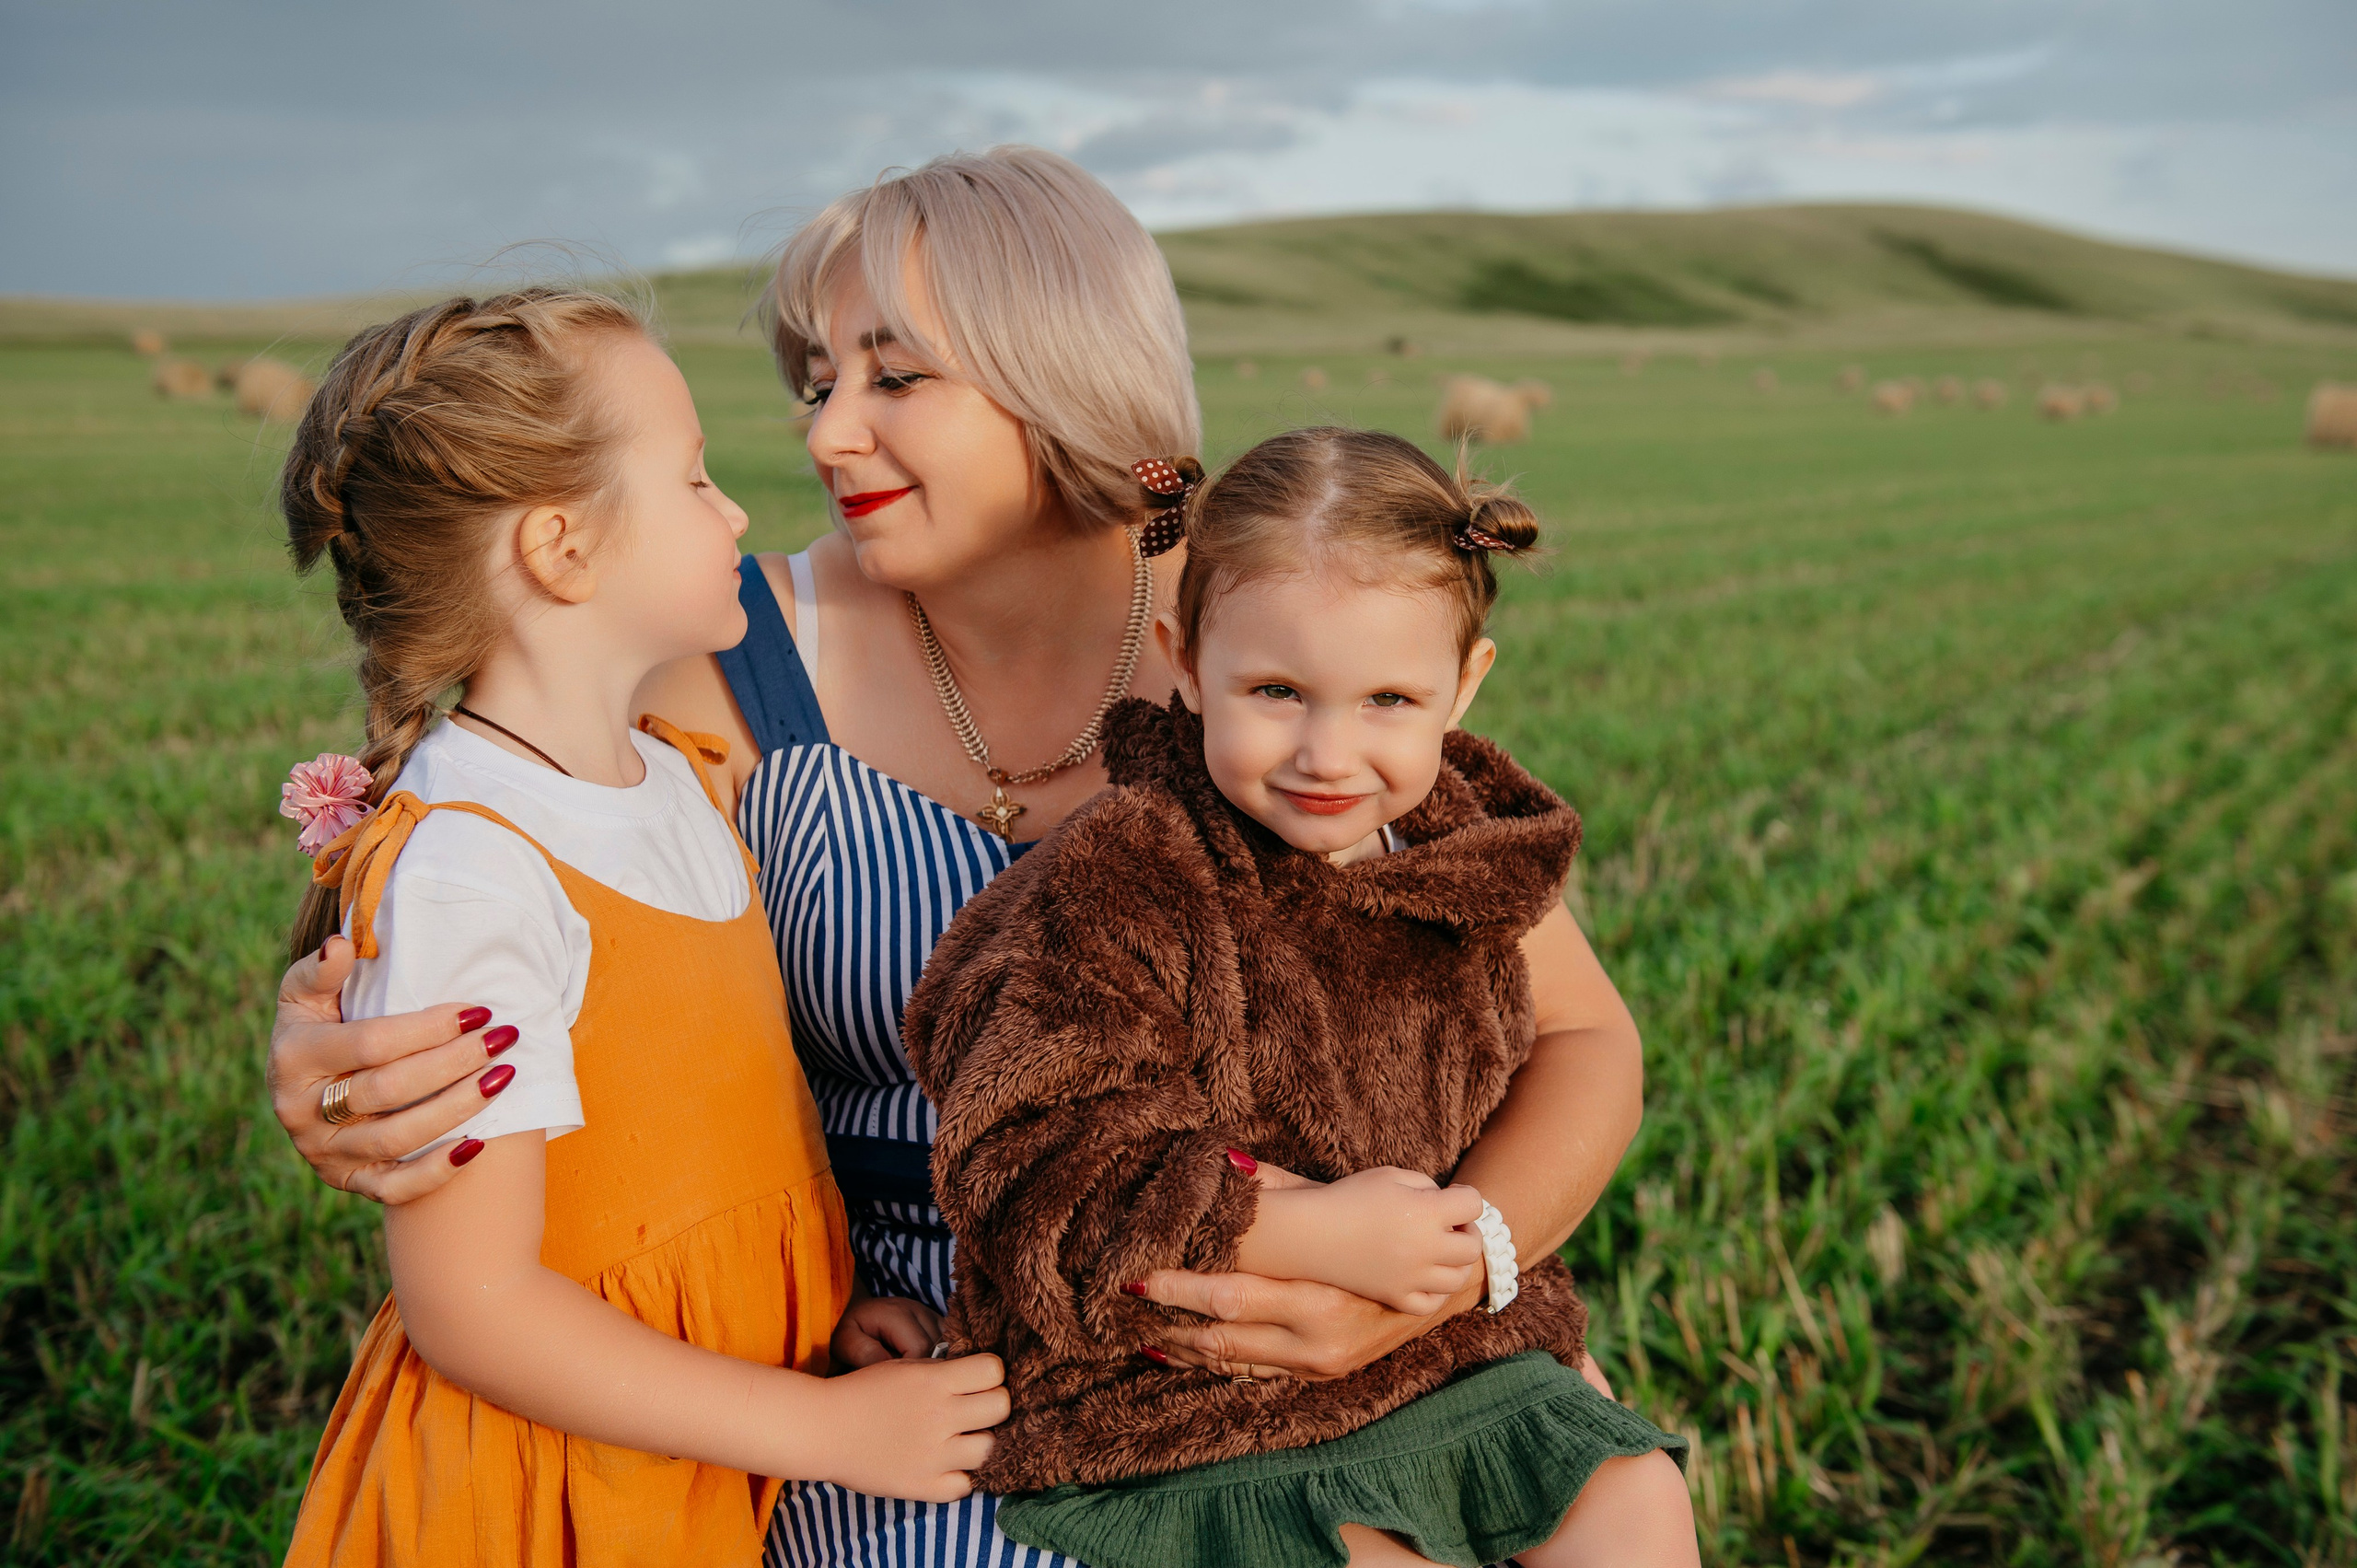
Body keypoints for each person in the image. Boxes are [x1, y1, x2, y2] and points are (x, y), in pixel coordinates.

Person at [261, 148, 1656, 1568]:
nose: (825, 435)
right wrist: (342, 1031)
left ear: (1060, 372)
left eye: (895, 376)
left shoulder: (1276, 632)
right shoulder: (729, 655)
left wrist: (1448, 1270)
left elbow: (1584, 1033)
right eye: (817, 383)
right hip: (928, 1373)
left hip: (1334, 1306)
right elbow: (500, 848)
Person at [270, 289, 1005, 1567]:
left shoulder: (672, 777)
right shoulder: (475, 869)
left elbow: (698, 1158)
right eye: (695, 478)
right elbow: (479, 1308)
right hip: (548, 1489)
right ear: (561, 547)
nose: (734, 514)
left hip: (686, 1444)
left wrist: (820, 1325)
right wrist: (826, 1432)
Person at [902, 427, 1694, 1568]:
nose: (1329, 752)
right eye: (1276, 691)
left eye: (1387, 698)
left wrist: (1470, 1257)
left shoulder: (1462, 844)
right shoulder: (1125, 879)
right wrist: (1305, 1226)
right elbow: (1028, 1147)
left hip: (1441, 1349)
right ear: (1184, 658)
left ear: (1464, 684)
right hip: (1192, 1401)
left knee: (1634, 1502)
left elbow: (1580, 1041)